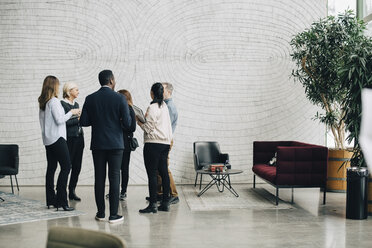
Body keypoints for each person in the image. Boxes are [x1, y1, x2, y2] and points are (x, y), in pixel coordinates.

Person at [80, 70, 132, 224]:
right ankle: (113, 215)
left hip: (98, 144)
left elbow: (83, 122)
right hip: (116, 144)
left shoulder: (90, 98)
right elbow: (128, 124)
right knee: (115, 178)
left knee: (99, 178)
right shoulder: (120, 98)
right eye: (114, 79)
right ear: (111, 80)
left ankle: (101, 213)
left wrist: (98, 119)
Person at [38, 75, 80, 211]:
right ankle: (62, 202)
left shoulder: (43, 103)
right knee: (66, 167)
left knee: (51, 169)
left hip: (48, 140)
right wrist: (72, 112)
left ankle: (51, 200)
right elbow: (60, 120)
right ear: (54, 86)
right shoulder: (54, 102)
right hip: (57, 139)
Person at [137, 83, 172, 213]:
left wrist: (139, 120)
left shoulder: (152, 107)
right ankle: (165, 203)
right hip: (165, 143)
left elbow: (148, 128)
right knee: (164, 172)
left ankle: (152, 205)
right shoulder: (165, 107)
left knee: (152, 174)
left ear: (152, 93)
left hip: (153, 144)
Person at [105, 90, 136, 200]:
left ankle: (123, 191)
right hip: (116, 142)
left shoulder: (129, 108)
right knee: (115, 169)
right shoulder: (119, 108)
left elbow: (132, 127)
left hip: (125, 143)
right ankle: (115, 191)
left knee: (124, 168)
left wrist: (119, 126)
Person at [61, 82, 84, 201]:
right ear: (69, 91)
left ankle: (72, 190)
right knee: (67, 166)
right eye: (76, 90)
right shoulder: (63, 104)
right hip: (70, 139)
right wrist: (77, 119)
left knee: (77, 166)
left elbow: (79, 120)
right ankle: (62, 191)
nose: (78, 92)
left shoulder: (77, 104)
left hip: (79, 138)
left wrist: (79, 119)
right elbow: (64, 123)